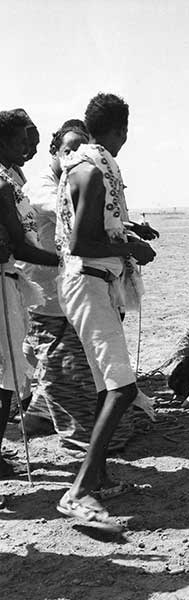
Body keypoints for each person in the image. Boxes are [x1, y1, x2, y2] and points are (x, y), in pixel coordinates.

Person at [55, 93, 156, 530]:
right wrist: (131, 246)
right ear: (120, 131)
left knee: (105, 385)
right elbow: (81, 243)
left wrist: (127, 235)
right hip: (88, 281)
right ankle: (78, 492)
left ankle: (99, 477)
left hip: (90, 282)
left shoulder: (81, 165)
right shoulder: (93, 171)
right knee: (122, 388)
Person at [0, 111, 59, 481]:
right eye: (21, 140)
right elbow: (21, 246)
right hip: (2, 282)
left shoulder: (10, 180)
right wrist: (68, 259)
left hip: (9, 279)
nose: (27, 148)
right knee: (6, 372)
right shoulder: (3, 184)